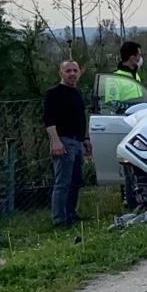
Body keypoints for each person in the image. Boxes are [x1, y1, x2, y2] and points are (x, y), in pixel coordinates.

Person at [44, 60, 91, 227]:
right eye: (68, 70)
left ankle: (71, 213)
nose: (72, 73)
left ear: (79, 73)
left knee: (75, 181)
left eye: (75, 70)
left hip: (77, 142)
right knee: (62, 182)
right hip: (63, 141)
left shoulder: (77, 93)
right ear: (61, 73)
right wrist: (55, 142)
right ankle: (59, 219)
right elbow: (49, 121)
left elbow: (80, 119)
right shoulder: (54, 94)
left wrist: (85, 139)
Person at [102, 41, 146, 110]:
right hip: (124, 118)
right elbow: (111, 104)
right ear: (132, 58)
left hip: (138, 117)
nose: (140, 58)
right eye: (139, 55)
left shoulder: (136, 75)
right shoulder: (114, 79)